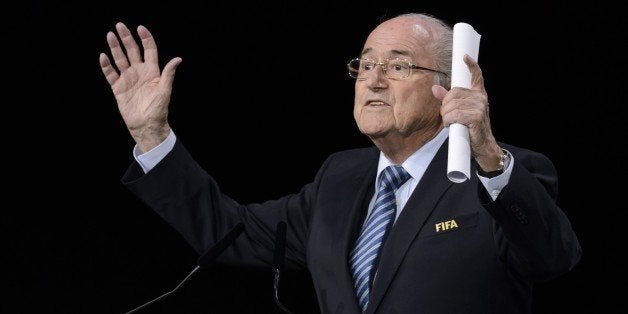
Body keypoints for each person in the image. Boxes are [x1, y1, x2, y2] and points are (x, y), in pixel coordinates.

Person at [99, 13, 581, 314]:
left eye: (398, 66)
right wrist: (152, 136)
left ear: (450, 85)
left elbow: (551, 258)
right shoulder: (339, 179)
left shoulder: (499, 173)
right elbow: (226, 232)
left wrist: (490, 156)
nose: (373, 81)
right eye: (365, 65)